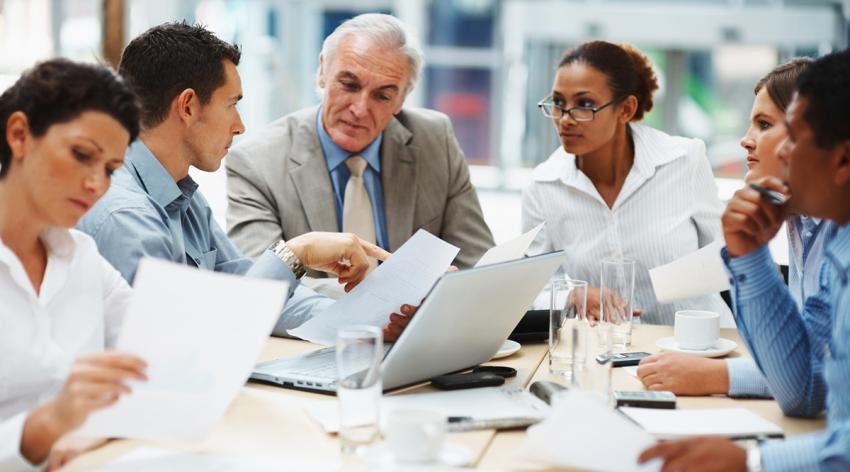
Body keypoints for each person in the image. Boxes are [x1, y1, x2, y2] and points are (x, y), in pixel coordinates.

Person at [77, 22, 411, 341]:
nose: (239, 126)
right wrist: (296, 254)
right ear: (188, 107)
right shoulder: (125, 215)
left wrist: (369, 321)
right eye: (232, 104)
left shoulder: (182, 195)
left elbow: (250, 292)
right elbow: (200, 339)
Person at [640, 49, 850, 471]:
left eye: (784, 131)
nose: (748, 141)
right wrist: (749, 252)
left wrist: (752, 462)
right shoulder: (815, 225)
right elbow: (805, 387)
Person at [225, 13, 494, 278]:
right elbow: (260, 278)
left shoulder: (435, 139)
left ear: (402, 99)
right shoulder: (257, 162)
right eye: (349, 85)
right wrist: (398, 299)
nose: (360, 109)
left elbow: (477, 262)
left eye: (383, 96)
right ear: (322, 72)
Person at [0, 59, 145, 470]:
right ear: (19, 134)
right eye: (83, 155)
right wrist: (46, 426)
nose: (97, 184)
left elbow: (158, 348)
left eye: (110, 170)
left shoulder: (82, 256)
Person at [522, 40, 729, 325]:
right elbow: (531, 290)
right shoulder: (543, 186)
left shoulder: (684, 160)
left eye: (584, 104)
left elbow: (727, 256)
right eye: (558, 103)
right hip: (606, 355)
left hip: (696, 346)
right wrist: (573, 294)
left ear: (626, 109)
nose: (565, 119)